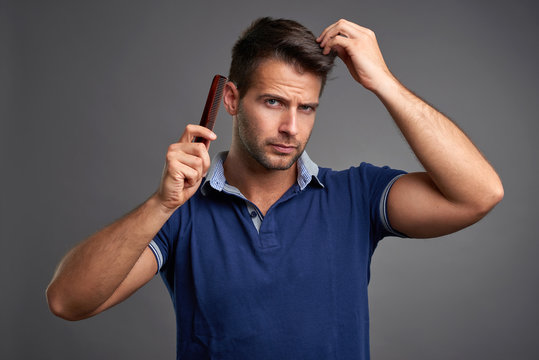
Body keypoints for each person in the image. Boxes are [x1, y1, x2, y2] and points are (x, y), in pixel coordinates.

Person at [46, 17, 503, 359]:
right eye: (273, 102)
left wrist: (382, 82)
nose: (290, 126)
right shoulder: (180, 214)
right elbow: (68, 301)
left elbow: (480, 193)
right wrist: (160, 203)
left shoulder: (355, 196)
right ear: (231, 99)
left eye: (307, 108)